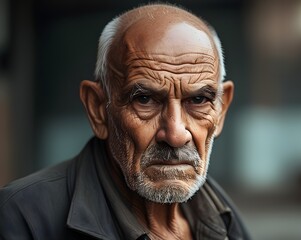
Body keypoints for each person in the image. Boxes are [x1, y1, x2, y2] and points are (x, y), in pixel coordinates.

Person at [0, 3, 250, 240]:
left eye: (198, 100)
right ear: (98, 109)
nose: (175, 134)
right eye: (144, 99)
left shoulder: (223, 218)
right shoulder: (21, 217)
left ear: (221, 108)